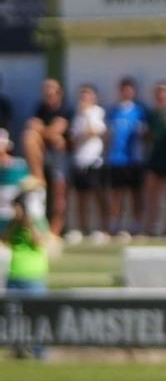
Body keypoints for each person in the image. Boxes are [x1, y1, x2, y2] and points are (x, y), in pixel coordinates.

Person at [24, 78, 72, 237]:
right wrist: (48, 133)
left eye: (52, 91)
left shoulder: (65, 109)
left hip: (60, 156)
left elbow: (55, 133)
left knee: (59, 193)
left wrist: (43, 130)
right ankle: (37, 175)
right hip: (45, 153)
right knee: (29, 136)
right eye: (46, 92)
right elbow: (38, 130)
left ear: (59, 93)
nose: (48, 95)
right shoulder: (40, 108)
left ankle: (56, 231)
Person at [103, 79, 148, 240]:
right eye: (124, 89)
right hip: (116, 158)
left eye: (130, 89)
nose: (127, 92)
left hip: (134, 159)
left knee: (135, 193)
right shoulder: (113, 111)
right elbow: (107, 134)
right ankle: (115, 225)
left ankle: (136, 226)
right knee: (116, 193)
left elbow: (145, 135)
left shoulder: (140, 111)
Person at [68, 83, 108, 242]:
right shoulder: (76, 114)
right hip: (79, 160)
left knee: (97, 194)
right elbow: (74, 137)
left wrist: (86, 116)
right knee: (80, 196)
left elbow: (95, 131)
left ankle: (101, 228)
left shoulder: (97, 112)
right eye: (82, 94)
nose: (84, 97)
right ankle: (82, 228)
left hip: (94, 159)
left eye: (88, 94)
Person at [142, 81, 166, 236]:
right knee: (152, 195)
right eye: (158, 93)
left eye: (164, 92)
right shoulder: (152, 114)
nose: (161, 96)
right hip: (155, 158)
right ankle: (151, 227)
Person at [6, 185, 55, 296]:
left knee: (37, 311)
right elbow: (5, 240)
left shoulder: (38, 222)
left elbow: (39, 242)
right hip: (14, 275)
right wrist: (15, 222)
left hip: (33, 277)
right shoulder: (13, 224)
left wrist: (28, 223)